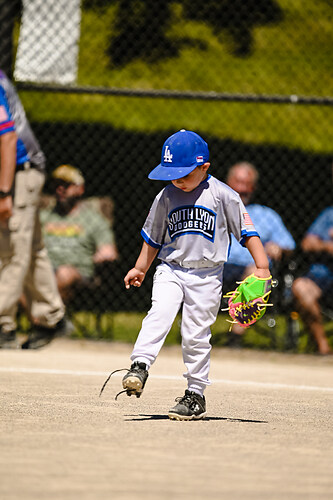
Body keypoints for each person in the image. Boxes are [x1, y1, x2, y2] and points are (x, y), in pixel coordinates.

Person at [116, 129, 270, 420]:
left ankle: (195, 394)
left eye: (184, 173)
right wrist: (140, 267)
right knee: (159, 313)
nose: (177, 179)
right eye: (172, 173)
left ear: (204, 167)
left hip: (208, 276)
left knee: (195, 335)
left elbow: (247, 233)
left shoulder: (224, 195)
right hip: (170, 269)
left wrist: (262, 267)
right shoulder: (166, 196)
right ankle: (140, 365)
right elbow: (152, 237)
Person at [0, 69, 66, 349]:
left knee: (12, 248)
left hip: (20, 172)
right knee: (32, 247)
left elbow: (7, 137)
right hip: (18, 172)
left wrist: (4, 193)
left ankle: (3, 325)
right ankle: (51, 316)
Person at [223, 162, 296, 339]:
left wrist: (278, 247)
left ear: (253, 187)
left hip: (250, 269)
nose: (241, 189)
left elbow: (289, 245)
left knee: (256, 271)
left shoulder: (267, 215)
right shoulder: (215, 210)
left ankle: (236, 334)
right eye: (237, 182)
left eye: (246, 184)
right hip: (218, 266)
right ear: (227, 184)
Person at [40, 164, 118, 305]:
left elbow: (108, 250)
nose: (60, 189)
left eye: (66, 185)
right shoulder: (44, 216)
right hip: (44, 268)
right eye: (57, 184)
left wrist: (104, 254)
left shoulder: (93, 219)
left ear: (80, 188)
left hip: (77, 272)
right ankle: (41, 320)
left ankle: (51, 319)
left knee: (64, 273)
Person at [292, 188, 333, 355]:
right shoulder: (329, 215)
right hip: (323, 277)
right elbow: (307, 243)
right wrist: (327, 246)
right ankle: (322, 346)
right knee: (301, 287)